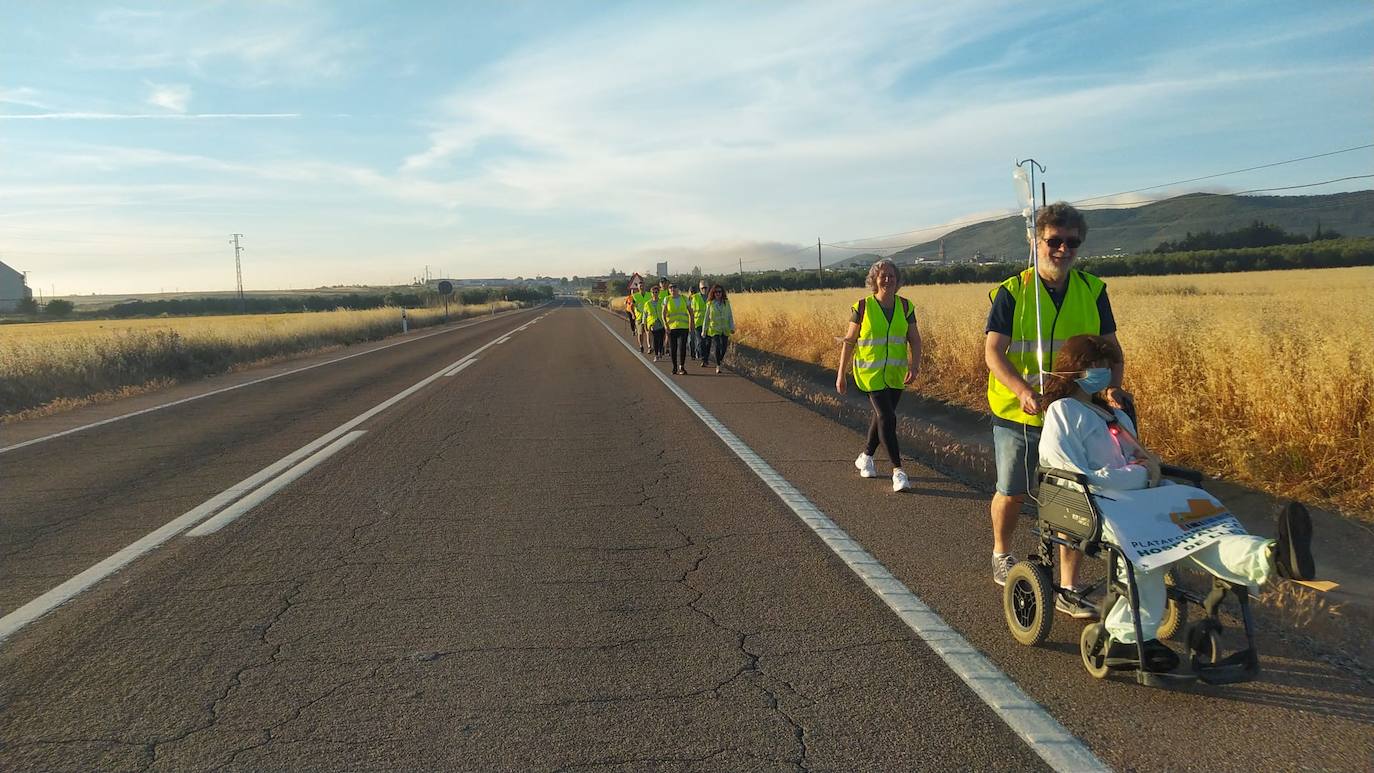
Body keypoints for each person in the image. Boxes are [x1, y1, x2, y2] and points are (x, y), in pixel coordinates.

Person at [1038, 334, 1315, 669]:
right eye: (1092, 366)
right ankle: (1128, 640)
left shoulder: (1116, 418)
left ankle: (1272, 556)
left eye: (1104, 366)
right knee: (1146, 558)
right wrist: (1140, 475)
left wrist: (1145, 474)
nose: (1101, 372)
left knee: (1206, 534)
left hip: (1145, 499)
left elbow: (1143, 466)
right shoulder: (1063, 412)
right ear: (1073, 371)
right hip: (1102, 503)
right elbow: (1072, 471)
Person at [985, 201, 1130, 619]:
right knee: (1012, 491)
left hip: (1074, 415)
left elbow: (1111, 350)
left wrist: (1111, 391)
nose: (1062, 249)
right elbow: (993, 352)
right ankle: (1001, 552)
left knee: (1070, 496)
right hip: (1019, 412)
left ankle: (1067, 587)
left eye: (1072, 242)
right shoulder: (1013, 292)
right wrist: (1021, 389)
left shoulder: (1093, 290)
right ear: (1036, 242)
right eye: (1054, 241)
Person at [835, 258, 922, 493]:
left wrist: (915, 366)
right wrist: (841, 373)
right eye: (882, 275)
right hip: (869, 372)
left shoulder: (906, 306)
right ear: (874, 280)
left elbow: (914, 339)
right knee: (887, 416)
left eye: (891, 275)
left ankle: (866, 456)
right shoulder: (862, 306)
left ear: (897, 279)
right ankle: (898, 471)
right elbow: (849, 342)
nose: (887, 279)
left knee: (883, 417)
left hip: (895, 373)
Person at [700, 284, 734, 374]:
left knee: (723, 348)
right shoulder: (710, 304)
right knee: (718, 346)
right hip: (714, 329)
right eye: (716, 292)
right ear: (713, 293)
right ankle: (718, 365)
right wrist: (704, 330)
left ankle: (720, 360)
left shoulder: (726, 303)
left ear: (722, 293)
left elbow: (730, 316)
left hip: (725, 329)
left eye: (720, 292)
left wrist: (732, 327)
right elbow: (706, 318)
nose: (718, 294)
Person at [662, 283, 694, 375]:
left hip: (683, 327)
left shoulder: (684, 298)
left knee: (682, 347)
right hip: (672, 328)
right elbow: (663, 314)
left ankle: (682, 366)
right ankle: (674, 367)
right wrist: (666, 325)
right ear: (669, 290)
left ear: (677, 289)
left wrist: (691, 324)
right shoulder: (667, 299)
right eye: (670, 288)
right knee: (673, 348)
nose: (672, 289)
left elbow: (691, 312)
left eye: (674, 287)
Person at [643, 285, 666, 361]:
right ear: (651, 293)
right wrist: (645, 324)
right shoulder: (648, 303)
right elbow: (645, 315)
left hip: (662, 323)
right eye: (653, 292)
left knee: (661, 339)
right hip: (653, 324)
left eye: (656, 292)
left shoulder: (662, 301)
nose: (654, 294)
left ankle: (660, 351)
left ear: (658, 293)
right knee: (655, 340)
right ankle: (656, 355)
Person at [688, 280, 708, 361]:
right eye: (691, 291)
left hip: (706, 323)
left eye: (693, 291)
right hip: (696, 323)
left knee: (702, 341)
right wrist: (690, 323)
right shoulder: (691, 299)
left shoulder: (708, 297)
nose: (692, 293)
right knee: (694, 340)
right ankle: (695, 353)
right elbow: (690, 312)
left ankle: (699, 353)